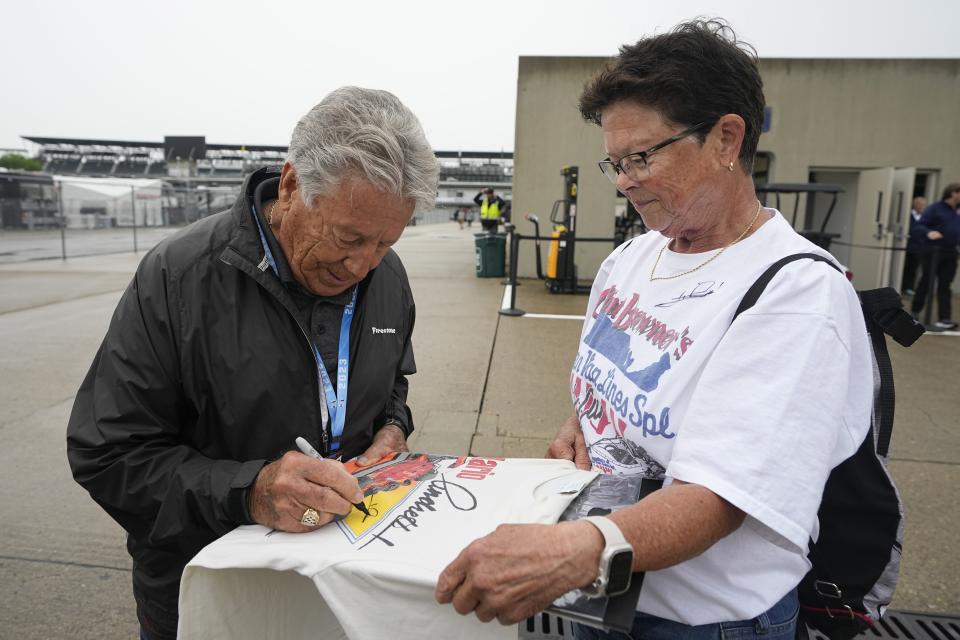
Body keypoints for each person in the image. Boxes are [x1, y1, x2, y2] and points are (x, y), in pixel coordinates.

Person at [435, 20, 872, 639]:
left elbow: (720, 497)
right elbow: (612, 385)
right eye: (614, 162)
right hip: (605, 587)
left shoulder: (798, 293)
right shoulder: (633, 258)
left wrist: (571, 551)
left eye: (640, 157)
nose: (622, 181)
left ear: (726, 138)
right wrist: (580, 425)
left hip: (703, 622)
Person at [66, 86, 439, 640]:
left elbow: (392, 385)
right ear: (291, 185)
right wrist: (251, 492)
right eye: (348, 237)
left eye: (386, 242)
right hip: (215, 592)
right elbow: (109, 454)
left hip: (346, 584)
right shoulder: (177, 276)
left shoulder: (389, 277)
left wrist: (392, 426)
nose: (363, 265)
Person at [910, 183, 960, 329]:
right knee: (926, 281)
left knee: (945, 285)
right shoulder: (935, 208)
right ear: (953, 193)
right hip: (932, 251)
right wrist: (928, 232)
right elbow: (919, 226)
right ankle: (914, 312)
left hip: (950, 252)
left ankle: (944, 318)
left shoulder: (957, 210)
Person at [901, 196, 927, 295]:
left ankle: (909, 287)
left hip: (918, 248)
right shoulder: (908, 215)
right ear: (914, 205)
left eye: (923, 205)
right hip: (905, 246)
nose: (921, 206)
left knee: (913, 268)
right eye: (919, 204)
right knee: (904, 267)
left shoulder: (925, 217)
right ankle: (901, 286)